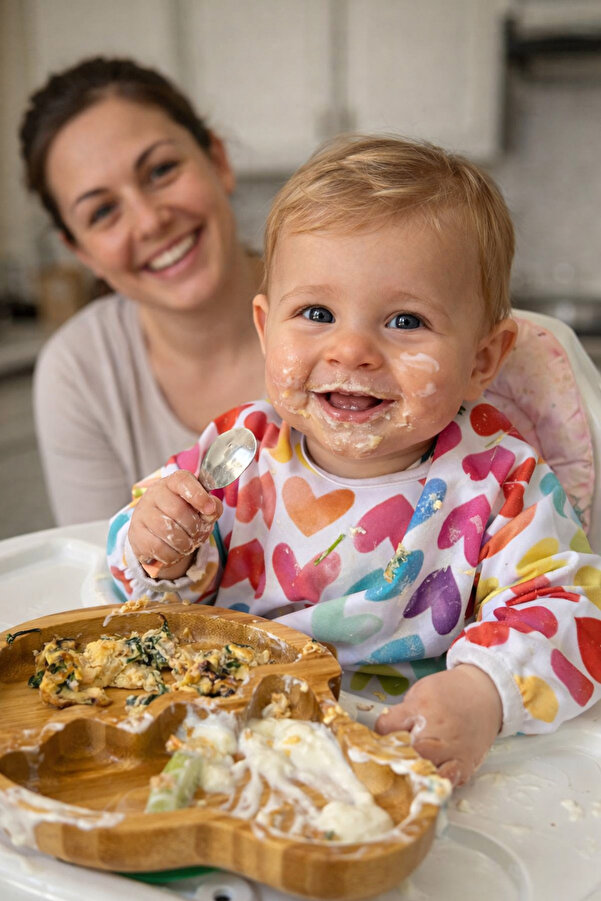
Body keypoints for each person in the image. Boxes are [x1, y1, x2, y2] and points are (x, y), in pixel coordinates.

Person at [107, 135, 601, 786]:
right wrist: (157, 546)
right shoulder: (236, 453)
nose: (350, 349)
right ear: (265, 329)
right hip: (233, 738)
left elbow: (569, 614)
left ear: (481, 360)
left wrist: (485, 693)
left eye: (403, 321)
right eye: (316, 312)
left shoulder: (502, 483)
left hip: (412, 755)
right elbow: (142, 591)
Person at [20, 57, 265, 525]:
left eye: (161, 170)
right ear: (81, 251)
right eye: (102, 211)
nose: (150, 221)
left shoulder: (349, 307)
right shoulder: (78, 371)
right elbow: (105, 578)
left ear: (218, 161)